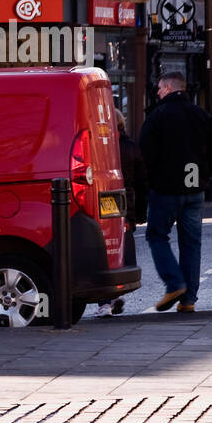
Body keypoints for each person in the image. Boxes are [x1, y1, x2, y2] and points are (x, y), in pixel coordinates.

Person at [138, 73, 212, 313]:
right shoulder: (201, 115)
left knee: (156, 235)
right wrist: (206, 175)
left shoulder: (158, 116)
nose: (158, 93)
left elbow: (146, 155)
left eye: (160, 89)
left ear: (169, 87)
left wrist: (149, 183)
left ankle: (175, 283)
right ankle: (188, 300)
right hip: (195, 190)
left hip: (166, 189)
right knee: (192, 243)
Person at [96, 110, 147, 317]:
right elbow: (142, 184)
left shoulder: (102, 148)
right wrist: (140, 214)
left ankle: (106, 302)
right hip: (127, 206)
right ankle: (115, 295)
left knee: (105, 252)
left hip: (107, 202)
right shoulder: (132, 147)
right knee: (121, 251)